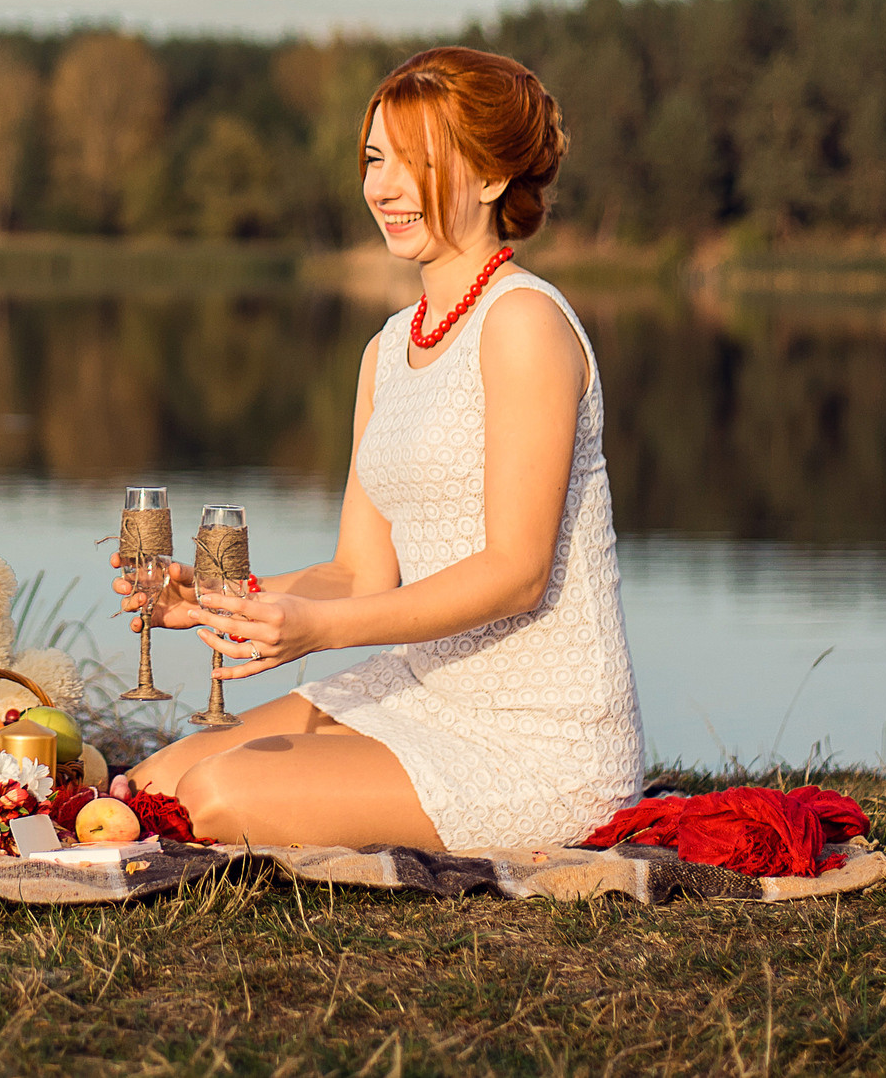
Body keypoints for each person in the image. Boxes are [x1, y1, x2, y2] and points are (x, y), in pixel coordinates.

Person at [117, 46, 641, 851]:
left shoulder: (524, 323)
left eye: (416, 162)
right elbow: (359, 572)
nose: (384, 188)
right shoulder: (387, 350)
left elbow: (518, 571)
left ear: (493, 176)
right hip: (416, 686)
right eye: (373, 159)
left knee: (213, 794)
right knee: (152, 785)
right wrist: (222, 599)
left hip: (538, 741)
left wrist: (317, 632)